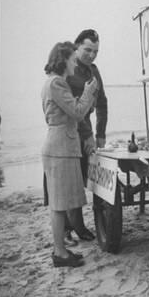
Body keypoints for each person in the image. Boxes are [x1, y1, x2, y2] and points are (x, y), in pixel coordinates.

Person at [41, 41, 98, 267]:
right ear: (64, 60)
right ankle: (60, 253)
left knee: (59, 204)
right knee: (58, 205)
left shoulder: (54, 83)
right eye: (73, 59)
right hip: (60, 149)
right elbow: (77, 112)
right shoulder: (56, 83)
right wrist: (88, 92)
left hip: (60, 147)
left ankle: (61, 250)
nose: (76, 63)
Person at [65, 29, 108, 241]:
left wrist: (100, 134)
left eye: (96, 52)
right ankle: (73, 227)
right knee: (71, 181)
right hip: (69, 131)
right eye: (88, 50)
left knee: (84, 177)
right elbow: (74, 110)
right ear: (77, 46)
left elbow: (102, 103)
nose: (91, 55)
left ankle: (77, 225)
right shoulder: (68, 70)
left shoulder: (94, 70)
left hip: (88, 127)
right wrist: (88, 135)